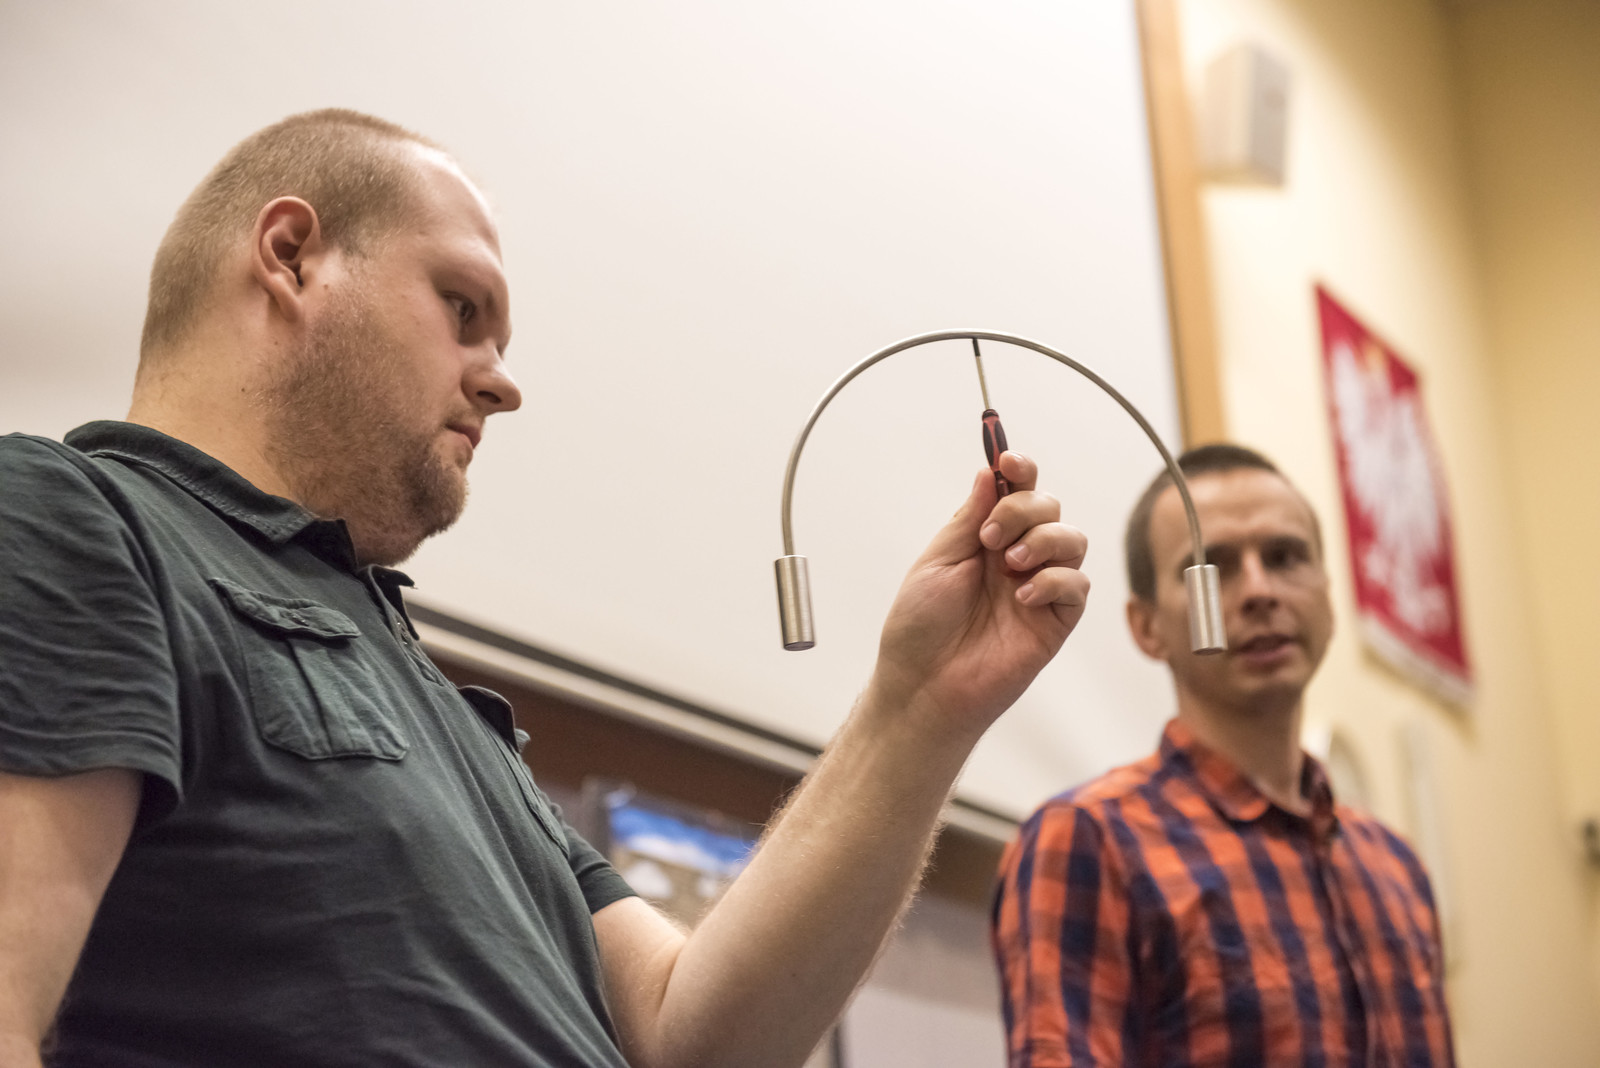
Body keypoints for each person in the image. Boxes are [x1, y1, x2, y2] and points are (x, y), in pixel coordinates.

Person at [0, 109, 1092, 1068]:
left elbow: (693, 1032)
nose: (503, 382)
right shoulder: (70, 518)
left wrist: (920, 708)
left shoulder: (441, 709)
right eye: (462, 307)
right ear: (292, 257)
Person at [991, 444, 1455, 1067]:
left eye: (1286, 557)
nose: (1260, 591)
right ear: (1146, 627)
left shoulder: (1395, 866)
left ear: (1327, 594)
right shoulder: (1089, 841)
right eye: (1212, 567)